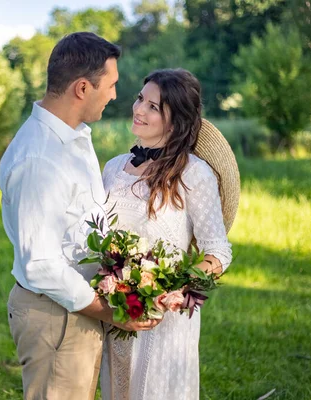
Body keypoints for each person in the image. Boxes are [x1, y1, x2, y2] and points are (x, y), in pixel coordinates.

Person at [0, 32, 161, 400]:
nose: (116, 96)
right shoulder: (40, 158)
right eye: (112, 85)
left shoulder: (75, 139)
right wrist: (112, 313)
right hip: (56, 316)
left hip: (77, 309)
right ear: (83, 88)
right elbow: (40, 265)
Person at [99, 69, 239, 400]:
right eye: (139, 99)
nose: (138, 110)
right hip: (116, 310)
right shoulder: (112, 168)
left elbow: (218, 252)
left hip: (166, 319)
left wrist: (175, 291)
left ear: (174, 122)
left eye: (153, 106)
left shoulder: (195, 173)